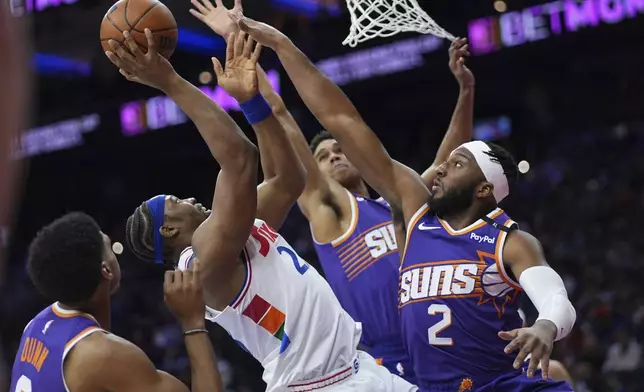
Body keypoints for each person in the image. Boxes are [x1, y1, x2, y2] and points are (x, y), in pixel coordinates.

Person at [235, 16, 577, 392]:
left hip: (498, 381)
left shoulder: (507, 241)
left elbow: (555, 296)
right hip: (400, 370)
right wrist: (282, 45)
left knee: (555, 371)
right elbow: (342, 120)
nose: (441, 167)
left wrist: (545, 325)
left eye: (456, 164)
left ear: (483, 189)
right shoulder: (413, 216)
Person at [188, 0, 474, 382]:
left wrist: (466, 91)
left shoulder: (398, 203)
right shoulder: (332, 209)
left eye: (339, 150)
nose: (335, 155)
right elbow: (284, 119)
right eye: (322, 156)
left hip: (437, 344)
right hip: (382, 363)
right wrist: (237, 39)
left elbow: (448, 160)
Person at [115, 29, 416, 391]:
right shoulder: (202, 262)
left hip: (356, 369)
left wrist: (253, 104)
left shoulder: (234, 234)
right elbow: (240, 159)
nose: (190, 200)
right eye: (177, 203)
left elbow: (288, 179)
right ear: (168, 230)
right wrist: (169, 80)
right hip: (317, 386)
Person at [9, 212, 223, 392]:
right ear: (106, 270)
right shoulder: (100, 355)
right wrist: (192, 321)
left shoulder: (35, 326)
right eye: (110, 246)